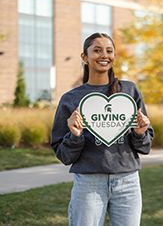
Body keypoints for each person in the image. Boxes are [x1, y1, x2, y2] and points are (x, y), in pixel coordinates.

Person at [51, 32, 153, 226]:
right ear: (84, 57)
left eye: (109, 50)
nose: (103, 55)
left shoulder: (129, 91)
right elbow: (64, 155)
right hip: (89, 183)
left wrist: (140, 134)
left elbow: (145, 146)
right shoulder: (70, 99)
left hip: (128, 182)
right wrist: (75, 136)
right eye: (96, 50)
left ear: (114, 56)